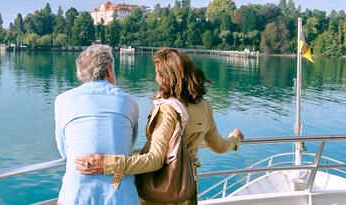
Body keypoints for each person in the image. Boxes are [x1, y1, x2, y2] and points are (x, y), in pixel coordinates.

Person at [74, 48, 244, 205]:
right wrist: (235, 139)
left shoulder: (168, 109)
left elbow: (155, 159)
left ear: (168, 77)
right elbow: (219, 146)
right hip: (186, 190)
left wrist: (108, 163)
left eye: (158, 74)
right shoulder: (205, 106)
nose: (156, 78)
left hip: (162, 191)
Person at [54, 45, 139, 205]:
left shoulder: (62, 101)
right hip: (121, 197)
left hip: (77, 196)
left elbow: (64, 151)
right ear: (109, 70)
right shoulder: (130, 102)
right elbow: (129, 145)